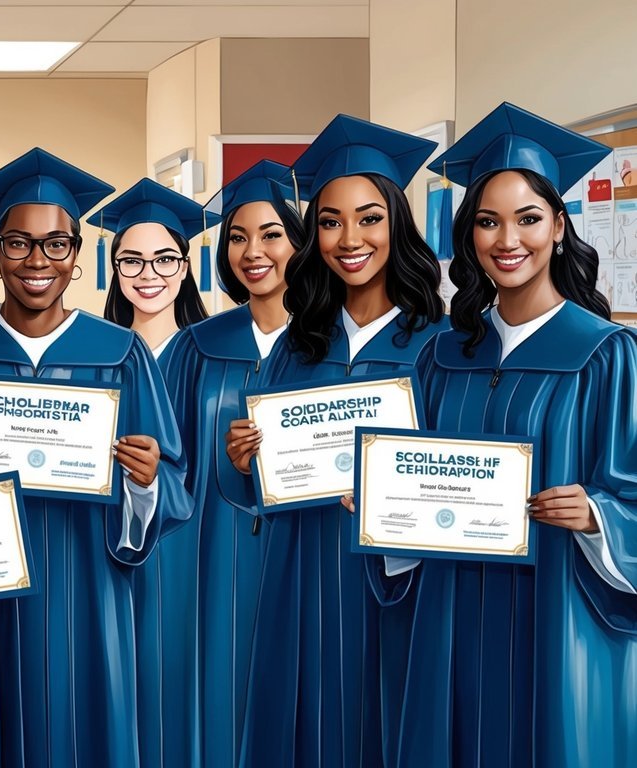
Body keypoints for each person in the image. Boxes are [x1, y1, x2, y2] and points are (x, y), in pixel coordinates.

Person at [0, 147, 187, 767]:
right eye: (18, 243)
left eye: (55, 244)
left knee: (85, 728)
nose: (37, 260)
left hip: (86, 585)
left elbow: (173, 483)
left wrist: (146, 481)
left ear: (77, 256)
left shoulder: (121, 352)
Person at [394, 102, 636, 767]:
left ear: (558, 226)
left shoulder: (606, 354)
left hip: (558, 622)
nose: (507, 240)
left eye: (527, 218)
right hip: (450, 624)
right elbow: (410, 489)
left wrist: (597, 514)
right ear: (468, 236)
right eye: (486, 221)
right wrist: (384, 509)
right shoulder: (440, 357)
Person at [230, 116, 447, 768]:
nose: (348, 239)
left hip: (396, 585)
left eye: (369, 218)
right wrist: (244, 461)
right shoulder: (296, 348)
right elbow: (253, 495)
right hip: (295, 578)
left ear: (398, 227)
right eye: (328, 221)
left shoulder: (439, 348)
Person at [127, 160, 304, 768]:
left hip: (302, 554)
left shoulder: (330, 347)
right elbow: (169, 467)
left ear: (300, 243)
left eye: (272, 234)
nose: (252, 252)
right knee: (210, 708)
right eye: (237, 236)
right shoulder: (195, 346)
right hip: (203, 561)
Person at [95, 177, 209, 360]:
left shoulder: (210, 356)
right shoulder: (96, 356)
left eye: (164, 259)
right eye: (132, 261)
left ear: (184, 268)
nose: (148, 275)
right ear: (116, 268)